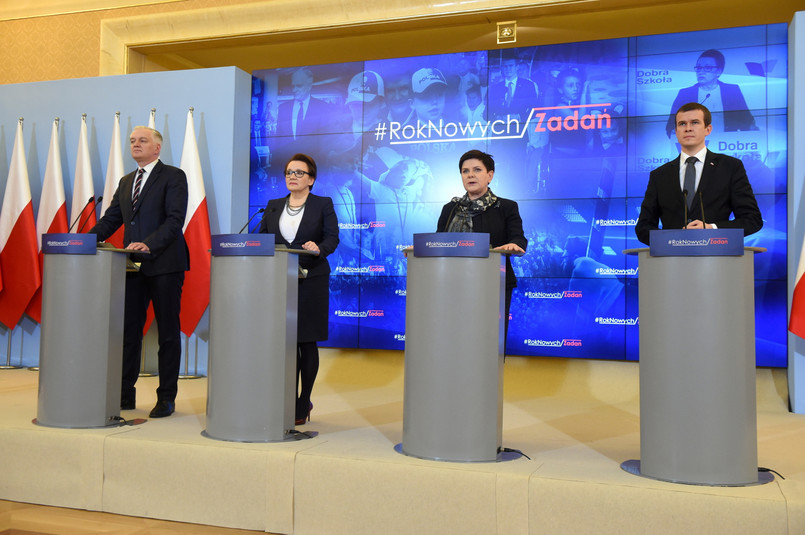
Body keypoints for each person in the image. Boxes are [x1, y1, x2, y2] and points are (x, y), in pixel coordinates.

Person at [90, 126, 189, 418]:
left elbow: (175, 221)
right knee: (128, 332)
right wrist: (84, 241)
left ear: (157, 148)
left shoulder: (173, 176)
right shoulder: (125, 181)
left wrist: (148, 244)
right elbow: (110, 220)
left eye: (142, 140)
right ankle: (124, 394)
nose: (135, 145)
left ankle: (166, 398)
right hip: (131, 266)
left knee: (168, 334)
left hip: (165, 265)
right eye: (132, 141)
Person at [257, 153, 339, 425]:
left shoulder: (322, 204)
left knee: (306, 340)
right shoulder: (272, 206)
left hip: (311, 277)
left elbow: (332, 238)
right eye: (289, 172)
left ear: (311, 179)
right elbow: (260, 238)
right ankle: (286, 398)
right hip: (280, 279)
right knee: (285, 342)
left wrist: (320, 248)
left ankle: (304, 401)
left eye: (299, 173)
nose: (292, 176)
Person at [636, 102, 763, 245]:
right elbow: (643, 227)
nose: (688, 128)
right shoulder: (659, 175)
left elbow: (752, 220)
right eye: (682, 124)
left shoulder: (730, 167)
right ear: (676, 131)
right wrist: (672, 240)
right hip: (671, 262)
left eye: (694, 122)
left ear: (708, 129)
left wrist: (712, 228)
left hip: (717, 260)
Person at [437, 149, 527, 337]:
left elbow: (518, 238)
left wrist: (514, 245)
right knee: (452, 338)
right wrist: (420, 249)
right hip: (451, 285)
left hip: (493, 285)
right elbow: (438, 242)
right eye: (465, 171)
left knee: (489, 340)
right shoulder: (450, 209)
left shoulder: (506, 207)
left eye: (477, 170)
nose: (470, 175)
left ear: (490, 175)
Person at [665, 49, 757, 136]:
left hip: (727, 146)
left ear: (718, 71)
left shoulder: (732, 90)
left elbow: (747, 122)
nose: (701, 72)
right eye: (699, 68)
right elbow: (671, 126)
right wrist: (675, 132)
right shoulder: (685, 94)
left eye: (707, 68)